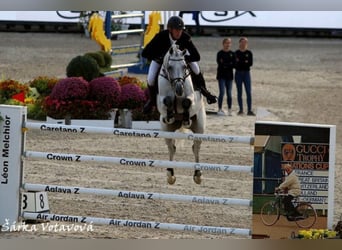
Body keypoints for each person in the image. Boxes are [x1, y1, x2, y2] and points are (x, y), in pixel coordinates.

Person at [141, 15, 217, 114]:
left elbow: (197, 56)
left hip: (182, 60)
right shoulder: (161, 36)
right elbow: (145, 53)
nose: (179, 32)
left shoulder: (186, 37)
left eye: (180, 30)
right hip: (161, 60)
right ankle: (151, 101)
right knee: (151, 78)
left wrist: (185, 59)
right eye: (176, 30)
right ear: (170, 29)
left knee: (196, 69)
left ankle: (206, 92)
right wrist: (159, 57)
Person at [234, 37, 255, 116]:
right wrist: (244, 62)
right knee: (239, 92)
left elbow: (250, 63)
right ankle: (241, 109)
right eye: (242, 42)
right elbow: (235, 64)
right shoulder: (236, 53)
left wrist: (241, 62)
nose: (243, 44)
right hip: (238, 73)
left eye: (245, 42)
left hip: (246, 73)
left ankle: (249, 110)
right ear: (239, 43)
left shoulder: (249, 53)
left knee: (248, 92)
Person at [216, 37, 235, 116]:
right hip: (221, 76)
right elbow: (220, 63)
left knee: (229, 94)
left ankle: (229, 109)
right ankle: (220, 109)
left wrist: (227, 64)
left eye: (229, 43)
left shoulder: (232, 54)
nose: (227, 44)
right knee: (222, 93)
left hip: (229, 76)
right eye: (226, 43)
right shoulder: (220, 53)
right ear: (223, 44)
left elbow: (234, 64)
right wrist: (228, 64)